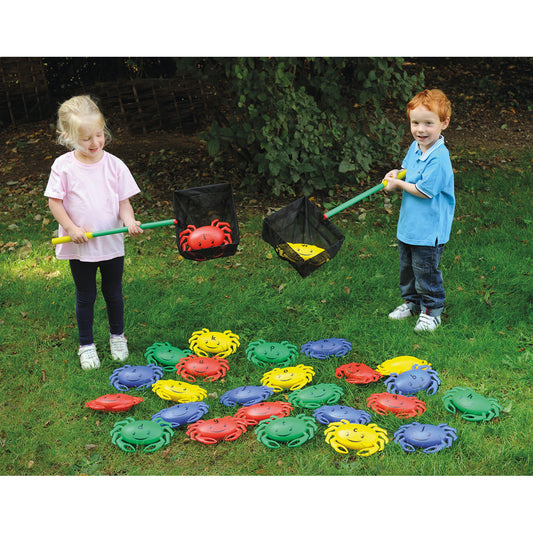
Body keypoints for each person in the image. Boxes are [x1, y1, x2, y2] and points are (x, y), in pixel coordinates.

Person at [44, 95, 143, 369]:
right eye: (86, 138)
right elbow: (55, 202)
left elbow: (124, 202)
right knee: (86, 295)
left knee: (113, 292)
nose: (95, 143)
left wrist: (130, 221)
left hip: (110, 242)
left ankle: (117, 336)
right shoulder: (63, 167)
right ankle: (86, 345)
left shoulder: (114, 165)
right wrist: (71, 228)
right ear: (68, 136)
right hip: (80, 245)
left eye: (99, 135)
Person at [383, 89, 455, 332]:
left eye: (428, 123)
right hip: (410, 226)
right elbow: (406, 170)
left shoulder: (439, 158)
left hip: (429, 229)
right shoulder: (415, 147)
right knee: (408, 270)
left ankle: (432, 311)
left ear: (444, 123)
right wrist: (395, 174)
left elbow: (424, 191)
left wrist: (399, 184)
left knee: (426, 272)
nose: (420, 130)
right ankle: (412, 303)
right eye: (415, 123)